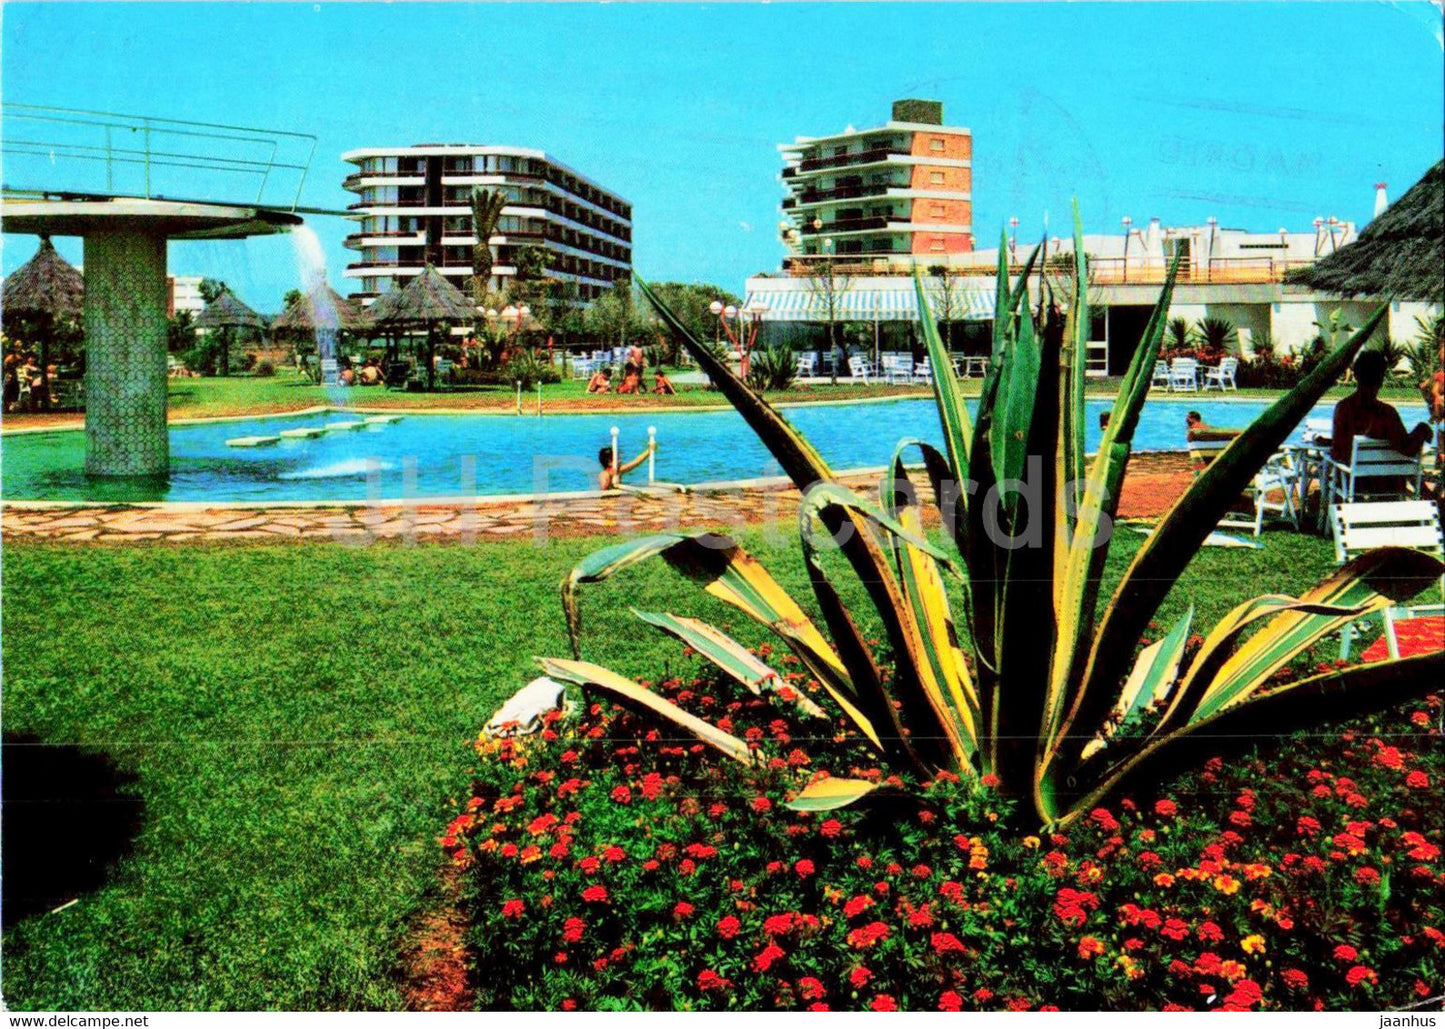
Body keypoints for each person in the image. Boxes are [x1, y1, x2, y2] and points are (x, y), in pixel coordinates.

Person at [1331, 350, 1431, 466]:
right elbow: (1407, 448)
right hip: (1383, 481)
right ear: (1381, 380)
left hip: (1352, 481)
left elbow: (1339, 451)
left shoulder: (1343, 408)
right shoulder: (1387, 414)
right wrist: (1422, 429)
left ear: (1356, 376)